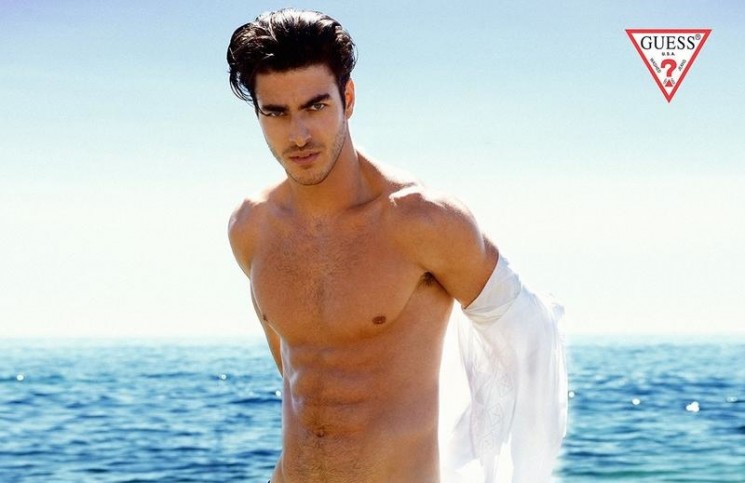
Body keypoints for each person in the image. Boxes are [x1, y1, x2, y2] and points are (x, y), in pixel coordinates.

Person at [226, 8, 567, 483]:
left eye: (315, 107)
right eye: (276, 113)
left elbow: (528, 332)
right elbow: (297, 376)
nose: (298, 135)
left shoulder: (423, 220)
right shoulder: (252, 229)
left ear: (348, 98)